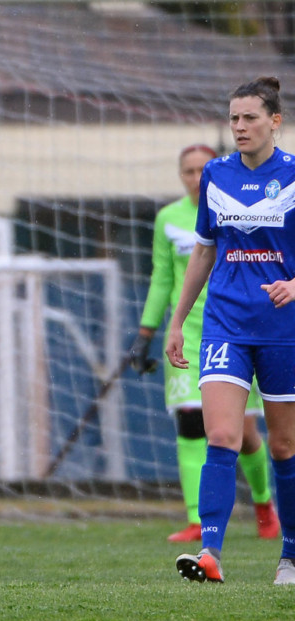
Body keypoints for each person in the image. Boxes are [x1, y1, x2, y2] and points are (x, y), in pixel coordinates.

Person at [166, 76, 295, 585]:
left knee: (284, 445)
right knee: (221, 433)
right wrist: (177, 322)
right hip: (225, 323)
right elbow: (204, 250)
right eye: (233, 118)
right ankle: (210, 552)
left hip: (282, 328)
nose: (239, 127)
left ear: (275, 122)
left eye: (249, 118)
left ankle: (289, 554)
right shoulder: (216, 175)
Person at [130, 143, 279, 543]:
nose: (195, 178)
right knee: (192, 424)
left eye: (201, 169)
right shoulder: (168, 219)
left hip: (236, 327)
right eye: (187, 171)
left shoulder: (240, 206)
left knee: (243, 433)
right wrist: (148, 332)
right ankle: (198, 518)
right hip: (192, 335)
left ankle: (265, 504)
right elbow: (163, 278)